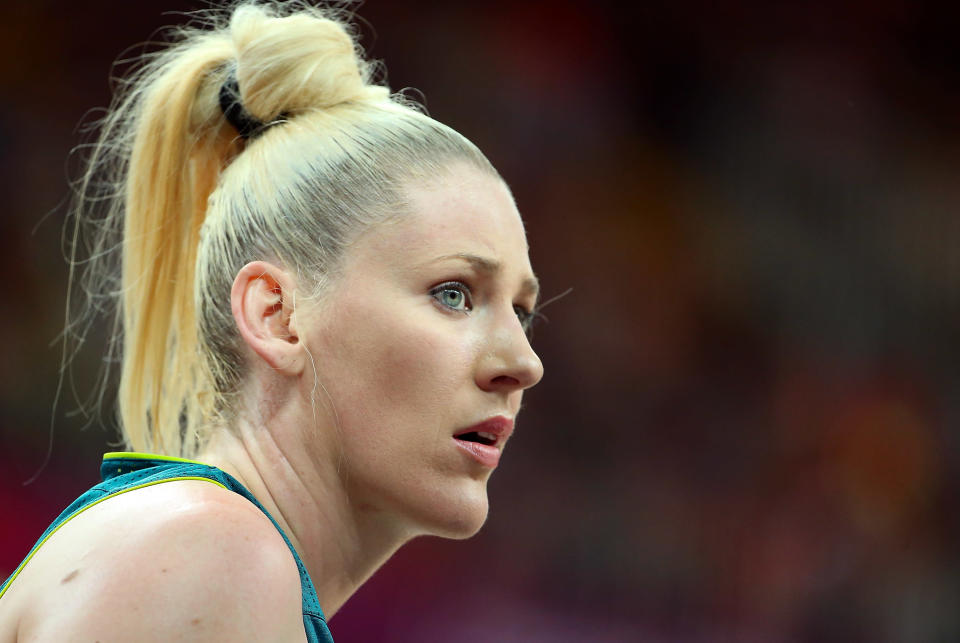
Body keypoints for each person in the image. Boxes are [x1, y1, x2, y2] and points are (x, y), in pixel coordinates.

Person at [0, 2, 543, 640]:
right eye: (454, 293)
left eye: (522, 312)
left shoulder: (216, 554)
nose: (523, 365)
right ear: (277, 316)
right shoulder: (214, 552)